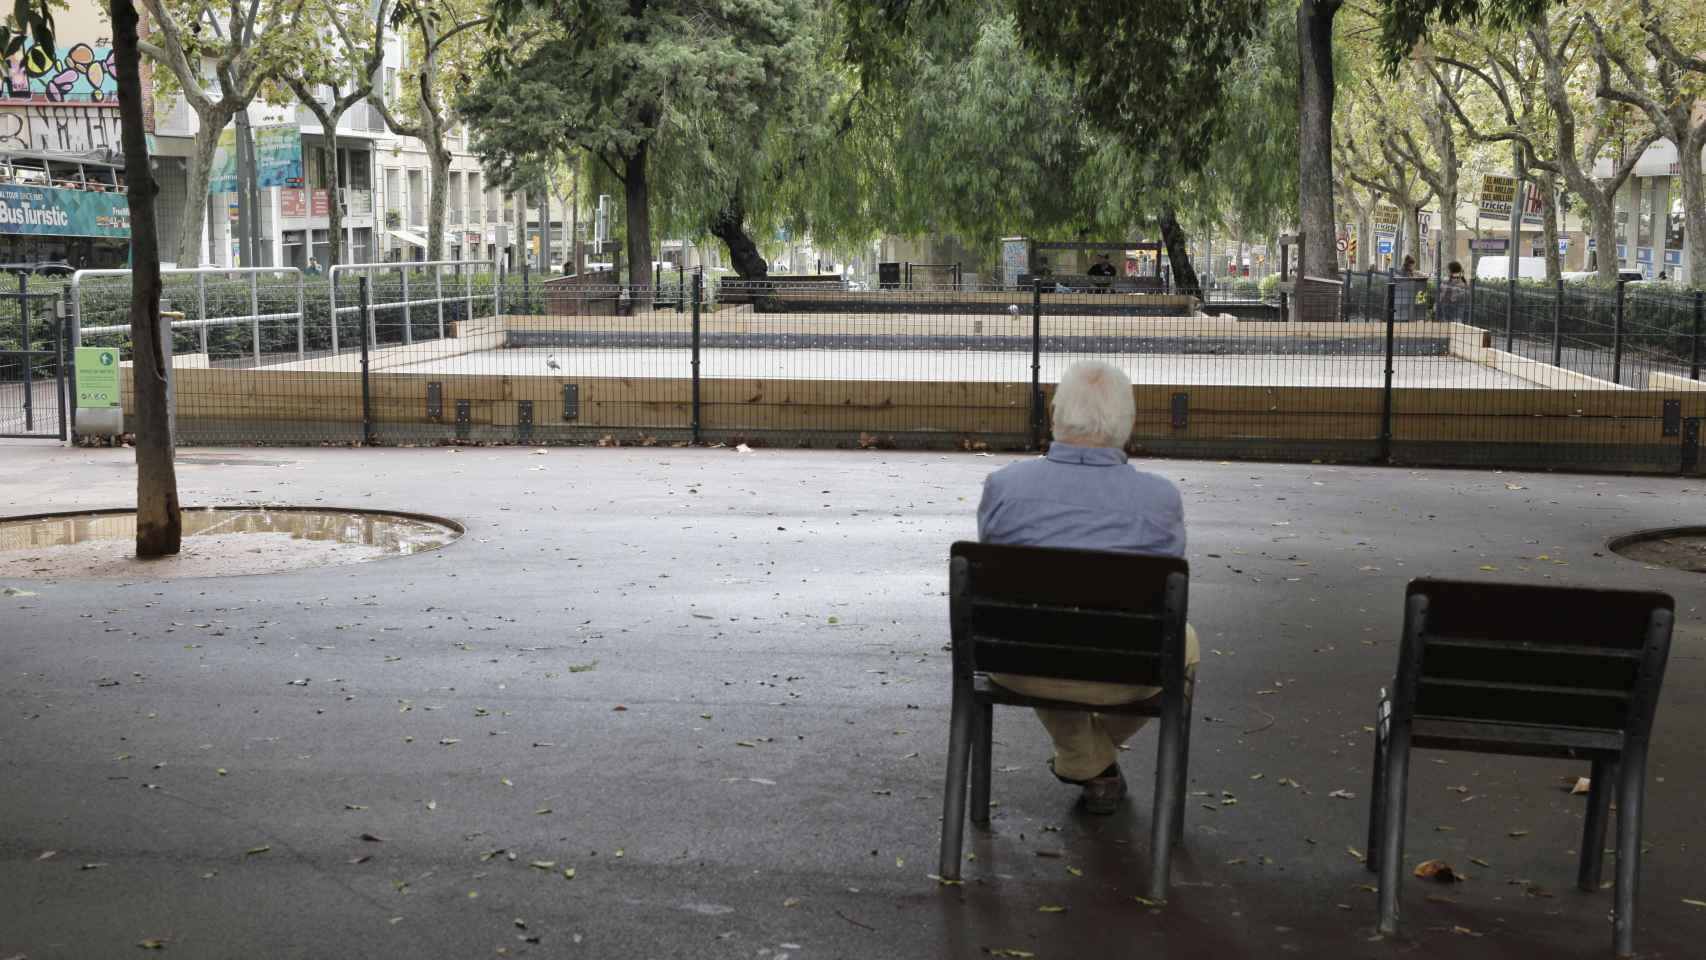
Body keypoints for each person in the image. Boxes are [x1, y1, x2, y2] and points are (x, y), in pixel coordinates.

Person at [976, 360, 1200, 814]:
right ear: (1129, 423)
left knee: (1042, 622)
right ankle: (1088, 760)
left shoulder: (1003, 487)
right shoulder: (1160, 500)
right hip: (1125, 671)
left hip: (1015, 660)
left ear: (1055, 413)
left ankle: (1086, 761)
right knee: (1185, 645)